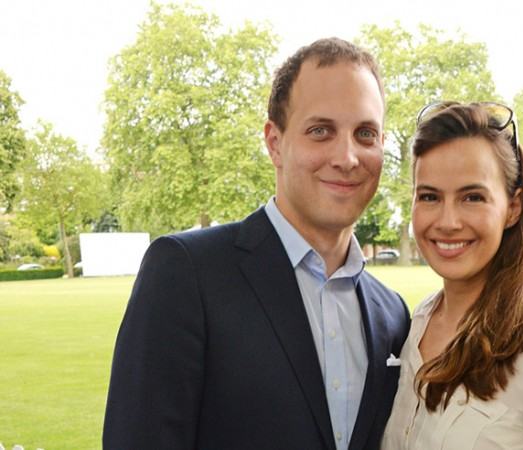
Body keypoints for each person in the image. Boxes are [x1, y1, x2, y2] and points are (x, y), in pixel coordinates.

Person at [103, 38, 411, 450]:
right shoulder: (186, 273)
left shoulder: (392, 315)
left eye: (365, 133)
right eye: (321, 131)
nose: (347, 156)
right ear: (274, 143)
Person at [381, 102, 523, 449]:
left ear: (512, 208)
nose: (448, 221)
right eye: (429, 196)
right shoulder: (416, 323)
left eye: (472, 197)